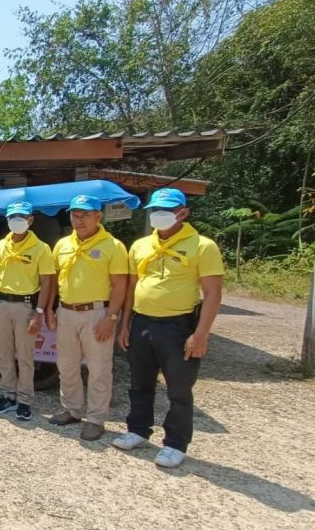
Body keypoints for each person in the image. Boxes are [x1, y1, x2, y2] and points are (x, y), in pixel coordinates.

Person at [115, 188, 224, 468]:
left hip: (178, 325)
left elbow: (213, 293)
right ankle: (138, 429)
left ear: (183, 213)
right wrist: (125, 324)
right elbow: (132, 287)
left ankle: (176, 443)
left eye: (166, 210)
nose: (159, 215)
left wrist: (201, 334)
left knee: (179, 389)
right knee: (140, 382)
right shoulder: (140, 246)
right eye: (155, 210)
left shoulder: (202, 246)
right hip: (142, 322)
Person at [46, 194, 128, 441]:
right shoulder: (62, 244)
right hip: (66, 311)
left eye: (85, 215)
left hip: (97, 313)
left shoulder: (113, 246)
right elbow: (53, 280)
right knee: (66, 365)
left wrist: (111, 318)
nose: (79, 220)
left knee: (99, 368)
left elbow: (120, 285)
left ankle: (95, 418)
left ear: (98, 216)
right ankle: (71, 409)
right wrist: (50, 308)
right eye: (75, 215)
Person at [0, 201, 55, 421]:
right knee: (4, 354)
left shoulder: (41, 248)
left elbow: (46, 282)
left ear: (30, 220)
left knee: (25, 356)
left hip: (26, 307)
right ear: (7, 220)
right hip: (1, 304)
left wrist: (39, 312)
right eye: (13, 217)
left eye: (22, 217)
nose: (18, 221)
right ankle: (8, 395)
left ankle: (24, 400)